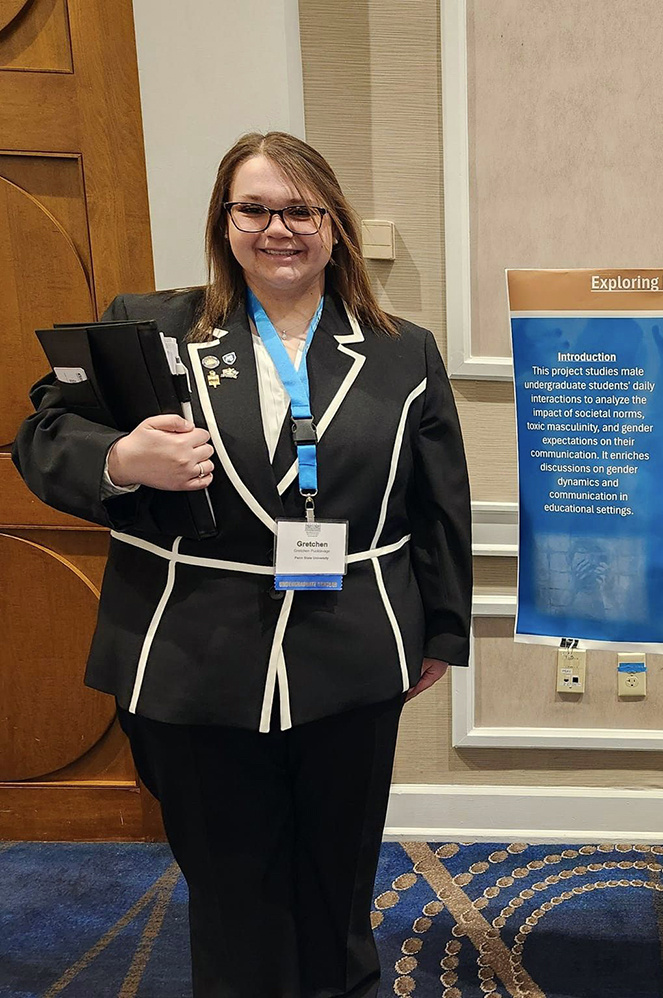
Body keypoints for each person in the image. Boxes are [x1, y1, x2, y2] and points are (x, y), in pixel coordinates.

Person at [13, 131, 472, 998]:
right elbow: (42, 433)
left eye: (300, 209)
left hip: (353, 643)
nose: (278, 229)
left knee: (336, 879)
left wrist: (442, 629)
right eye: (254, 208)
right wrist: (122, 462)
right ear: (225, 223)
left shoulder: (402, 349)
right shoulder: (147, 324)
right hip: (190, 651)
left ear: (332, 224)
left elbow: (437, 497)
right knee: (231, 883)